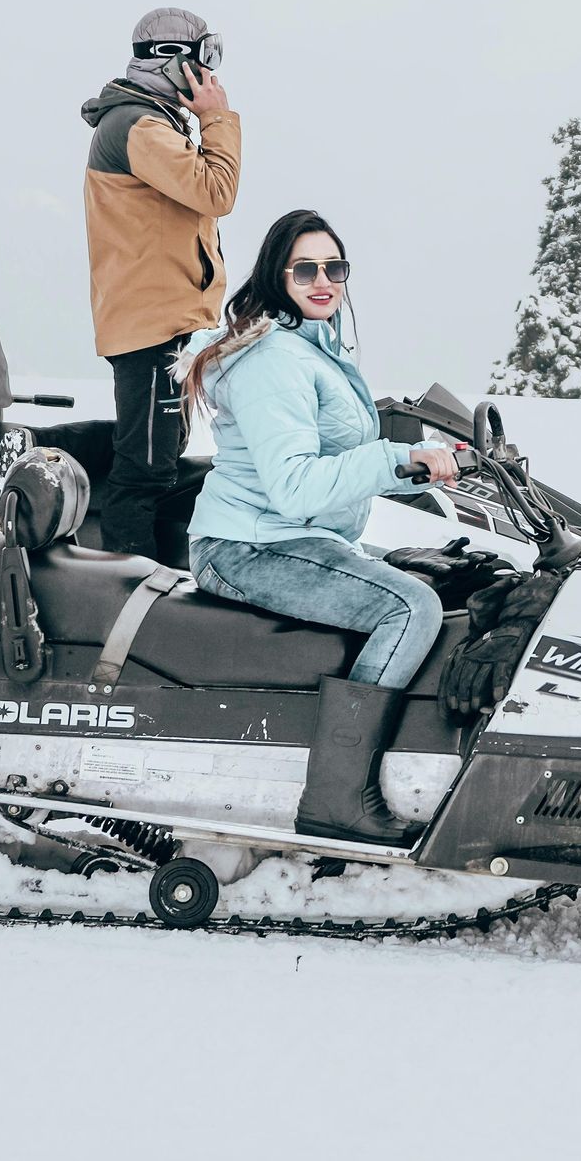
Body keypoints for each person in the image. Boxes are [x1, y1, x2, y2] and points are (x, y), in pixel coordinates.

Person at [179, 209, 462, 844]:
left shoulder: (312, 346)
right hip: (248, 545)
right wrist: (396, 457)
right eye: (305, 268)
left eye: (335, 268)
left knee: (443, 574)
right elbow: (297, 486)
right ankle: (339, 798)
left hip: (299, 537)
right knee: (411, 607)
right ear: (277, 274)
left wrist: (427, 469)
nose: (323, 280)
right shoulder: (274, 359)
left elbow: (336, 463)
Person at [81, 8, 241, 564]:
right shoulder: (138, 126)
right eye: (205, 59)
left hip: (169, 324)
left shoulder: (154, 121)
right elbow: (216, 191)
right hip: (152, 328)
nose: (212, 76)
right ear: (174, 60)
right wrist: (218, 119)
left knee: (162, 457)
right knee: (145, 470)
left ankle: (155, 576)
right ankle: (122, 591)